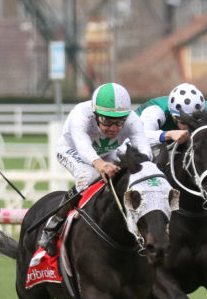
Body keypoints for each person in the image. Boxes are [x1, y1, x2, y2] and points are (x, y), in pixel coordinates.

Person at [31, 82, 153, 263]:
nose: (113, 128)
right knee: (89, 176)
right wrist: (100, 164)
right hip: (72, 150)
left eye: (119, 122)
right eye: (107, 121)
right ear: (95, 114)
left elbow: (144, 150)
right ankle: (53, 226)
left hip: (107, 153)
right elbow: (83, 147)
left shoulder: (133, 120)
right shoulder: (81, 114)